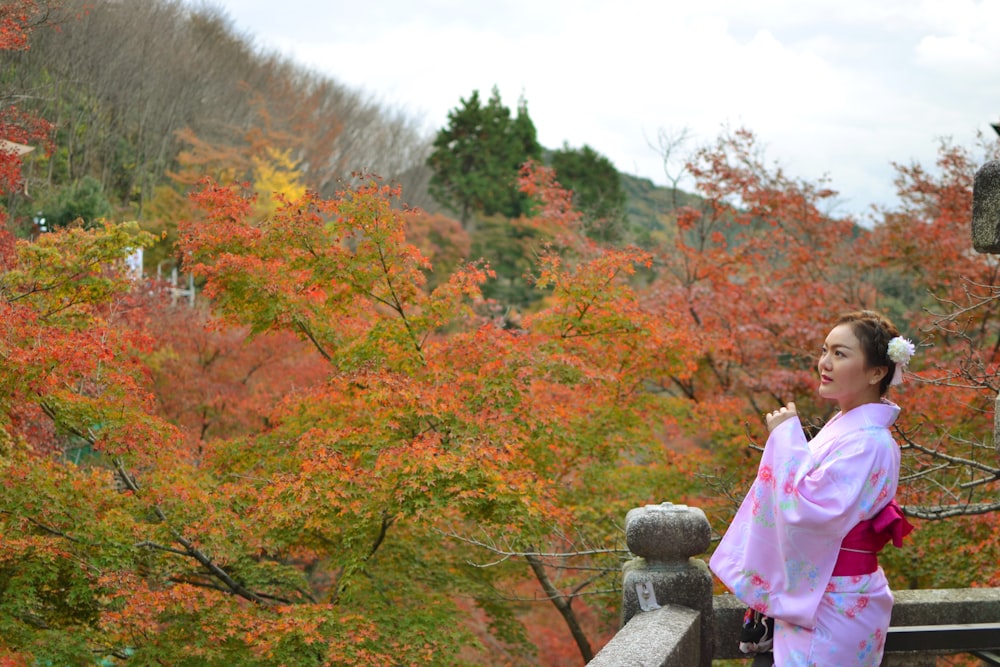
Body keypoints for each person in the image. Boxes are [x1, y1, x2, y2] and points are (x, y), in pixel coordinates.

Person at [710, 310, 916, 666]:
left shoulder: (870, 442)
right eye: (825, 350)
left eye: (841, 353)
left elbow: (808, 508)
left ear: (877, 372)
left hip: (835, 600)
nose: (825, 362)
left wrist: (786, 438)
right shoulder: (849, 429)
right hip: (822, 596)